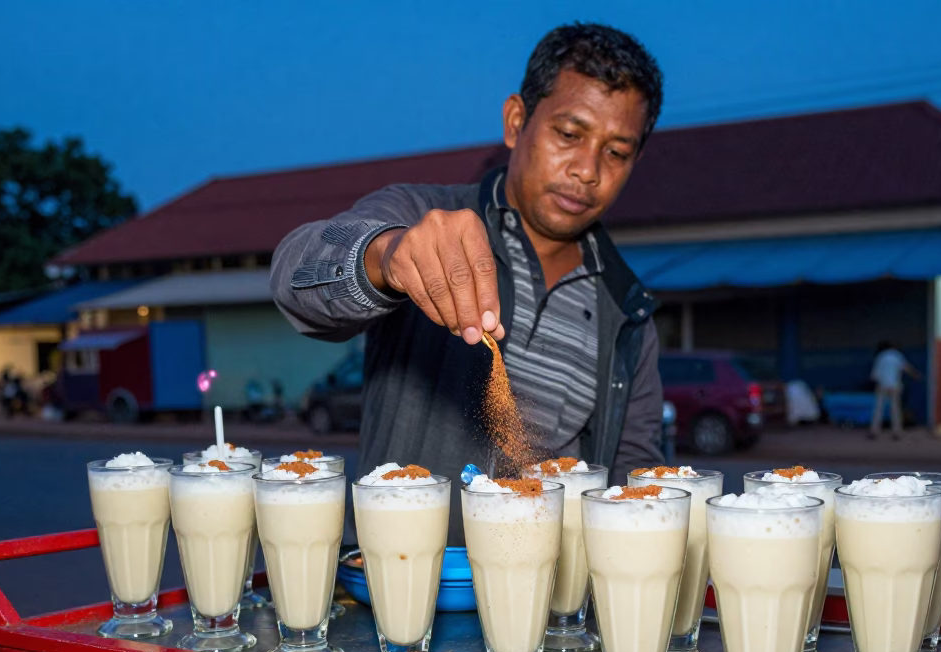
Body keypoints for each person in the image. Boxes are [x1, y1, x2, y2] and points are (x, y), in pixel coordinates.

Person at [270, 23, 665, 540]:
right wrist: (387, 256)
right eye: (569, 135)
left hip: (543, 578)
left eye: (616, 152)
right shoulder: (425, 216)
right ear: (516, 121)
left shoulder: (627, 310)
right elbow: (294, 275)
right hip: (408, 572)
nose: (588, 170)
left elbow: (633, 471)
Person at [867, 340, 919, 440]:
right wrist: (916, 375)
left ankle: (874, 431)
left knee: (878, 409)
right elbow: (906, 367)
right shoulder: (897, 356)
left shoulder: (881, 356)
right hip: (895, 385)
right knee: (895, 409)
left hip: (882, 385)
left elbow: (875, 375)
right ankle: (896, 432)